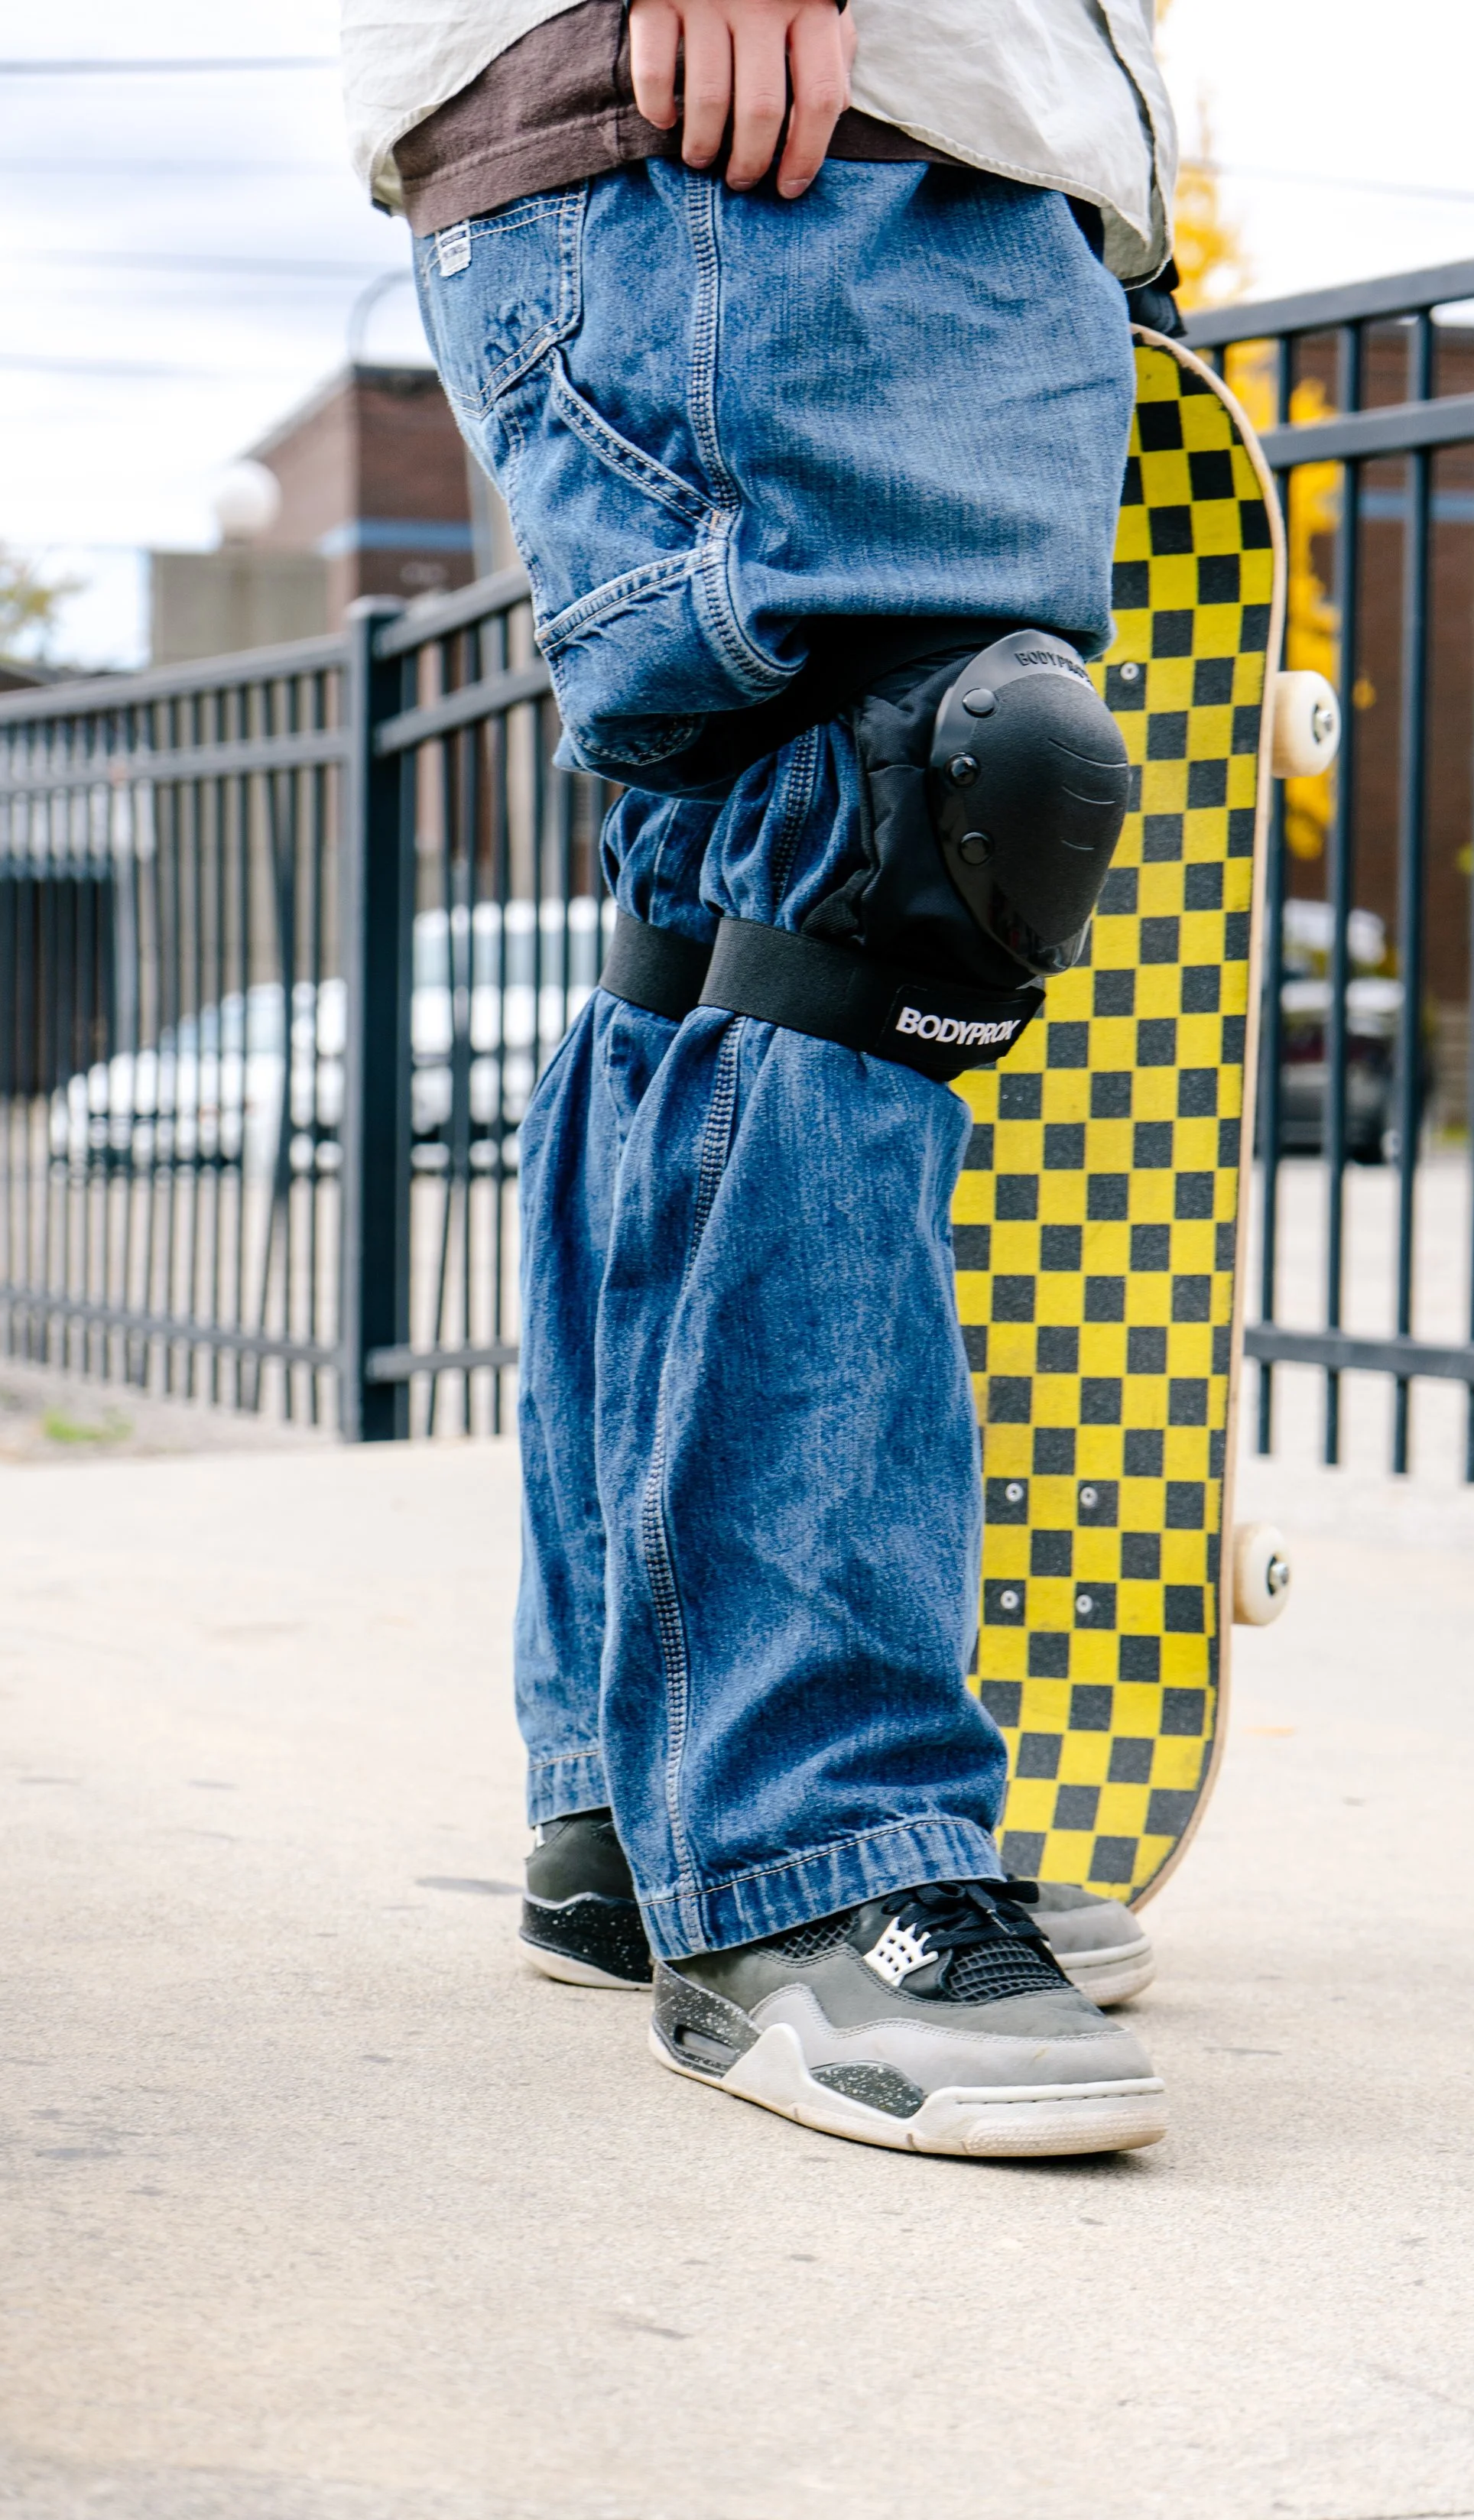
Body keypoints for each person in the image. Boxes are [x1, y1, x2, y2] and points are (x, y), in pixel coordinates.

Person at [340, 0, 1181, 2156]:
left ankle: (653, 1806)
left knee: (716, 921)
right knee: (893, 830)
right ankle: (816, 1848)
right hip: (776, 126)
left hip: (759, 141)